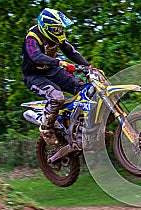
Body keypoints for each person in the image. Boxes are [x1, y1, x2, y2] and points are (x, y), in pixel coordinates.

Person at [22, 8, 96, 146]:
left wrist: (89, 67)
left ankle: (81, 127)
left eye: (60, 28)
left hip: (52, 70)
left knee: (86, 89)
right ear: (46, 27)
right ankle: (47, 129)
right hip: (33, 76)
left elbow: (70, 51)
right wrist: (60, 62)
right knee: (57, 97)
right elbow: (35, 56)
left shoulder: (56, 36)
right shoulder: (32, 38)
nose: (59, 31)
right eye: (56, 29)